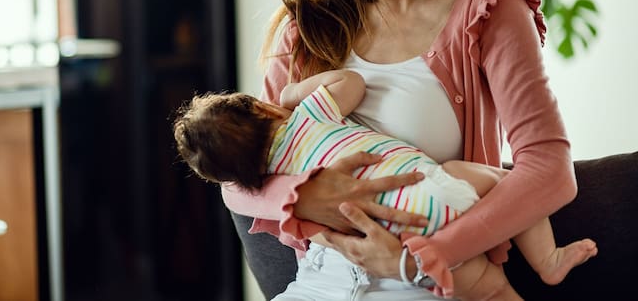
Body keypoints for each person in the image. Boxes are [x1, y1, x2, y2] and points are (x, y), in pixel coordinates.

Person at [222, 0, 588, 299]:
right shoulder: (306, 34)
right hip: (321, 283)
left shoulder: (489, 14)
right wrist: (305, 196)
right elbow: (236, 183)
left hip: (428, 282)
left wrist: (423, 257)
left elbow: (549, 169)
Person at [175, 69, 596, 300]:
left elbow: (239, 194)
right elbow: (352, 84)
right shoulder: (307, 115)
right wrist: (295, 91)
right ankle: (548, 260)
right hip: (430, 194)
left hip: (391, 237)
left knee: (489, 290)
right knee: (499, 179)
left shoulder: (275, 181)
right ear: (264, 109)